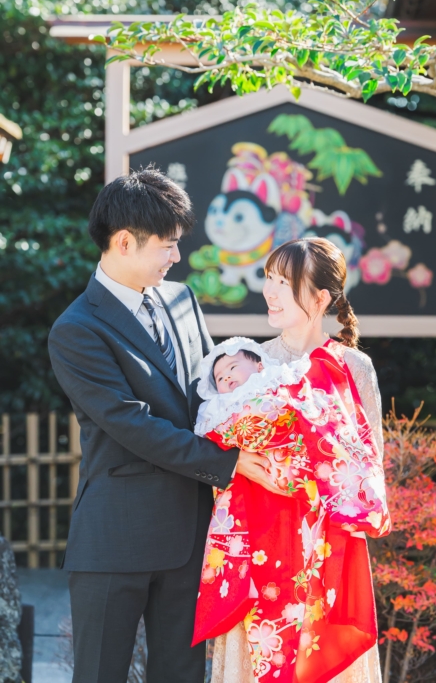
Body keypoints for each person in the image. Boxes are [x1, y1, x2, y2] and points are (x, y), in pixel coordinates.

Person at [48, 168, 276, 683]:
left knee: (181, 676)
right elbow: (133, 424)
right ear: (124, 242)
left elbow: (208, 396)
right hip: (115, 539)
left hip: (191, 536)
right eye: (168, 245)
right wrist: (231, 464)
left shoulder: (181, 299)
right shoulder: (76, 329)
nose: (177, 256)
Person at [210, 236, 386, 683]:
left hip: (328, 546)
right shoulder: (251, 362)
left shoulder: (354, 367)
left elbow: (371, 466)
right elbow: (221, 455)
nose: (270, 291)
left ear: (321, 297)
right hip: (260, 536)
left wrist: (315, 469)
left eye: (284, 282)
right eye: (269, 278)